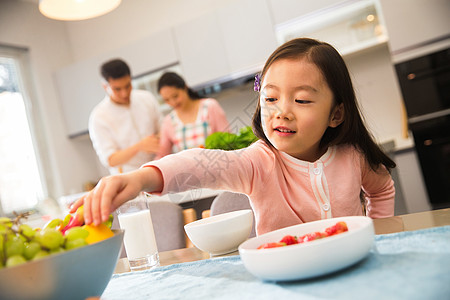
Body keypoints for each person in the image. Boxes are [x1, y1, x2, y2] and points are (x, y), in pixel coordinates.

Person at [73, 38, 396, 235]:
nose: (281, 112)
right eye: (270, 99)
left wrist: (379, 234)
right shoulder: (258, 163)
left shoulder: (353, 156)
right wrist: (141, 179)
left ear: (336, 114)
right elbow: (201, 165)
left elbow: (381, 191)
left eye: (301, 100)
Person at [89, 58, 162, 175]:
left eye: (128, 86)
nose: (124, 93)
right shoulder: (99, 117)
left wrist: (158, 140)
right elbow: (111, 160)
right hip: (128, 176)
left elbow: (164, 130)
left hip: (158, 169)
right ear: (105, 86)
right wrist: (140, 146)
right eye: (117, 89)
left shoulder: (146, 98)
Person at [155, 72, 229, 158]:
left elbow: (227, 140)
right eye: (167, 100)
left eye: (175, 96)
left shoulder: (210, 106)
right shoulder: (168, 121)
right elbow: (161, 156)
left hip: (218, 164)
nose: (173, 102)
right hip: (189, 170)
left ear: (185, 88)